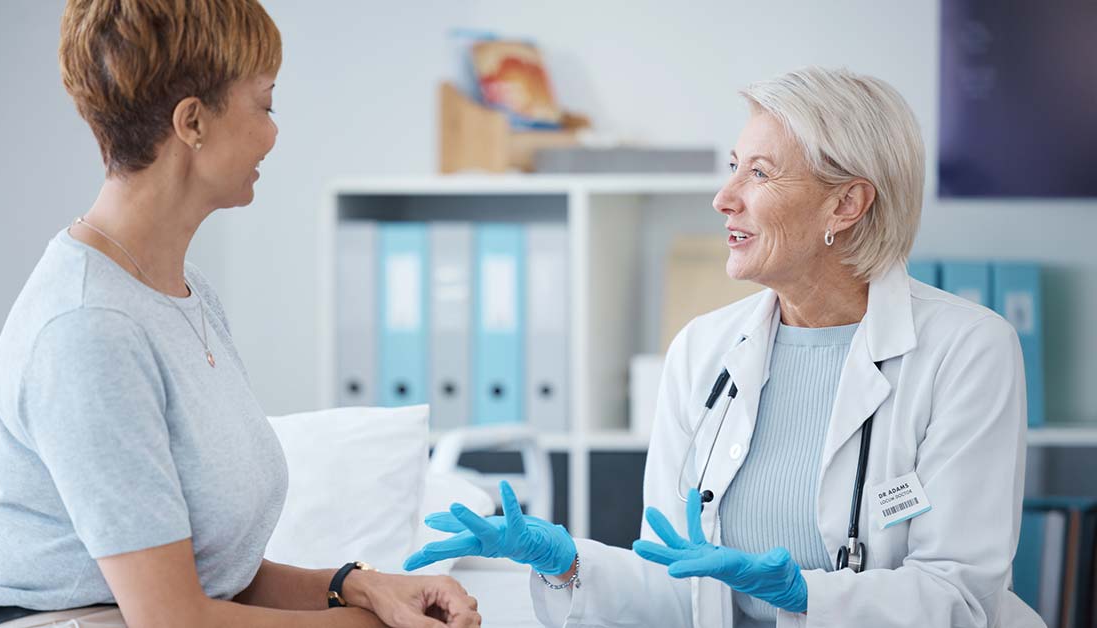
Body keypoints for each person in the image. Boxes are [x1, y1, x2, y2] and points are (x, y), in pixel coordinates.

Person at [404, 67, 1044, 627]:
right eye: (733, 166)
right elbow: (679, 591)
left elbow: (959, 600)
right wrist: (568, 562)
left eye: (759, 173)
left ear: (846, 203)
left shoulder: (967, 350)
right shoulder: (702, 350)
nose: (723, 198)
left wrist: (804, 596)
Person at [0, 2, 480, 627]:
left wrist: (359, 589)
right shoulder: (89, 328)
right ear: (192, 122)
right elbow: (174, 620)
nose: (274, 132)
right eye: (265, 103)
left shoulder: (181, 293)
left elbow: (212, 578)